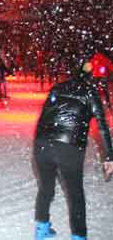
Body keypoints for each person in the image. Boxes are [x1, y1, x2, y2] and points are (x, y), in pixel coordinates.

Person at [33, 60, 113, 240]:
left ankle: (41, 228)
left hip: (43, 144)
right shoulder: (90, 92)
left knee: (45, 188)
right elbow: (102, 126)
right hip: (69, 148)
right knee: (75, 194)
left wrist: (41, 142)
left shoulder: (57, 88)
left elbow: (44, 116)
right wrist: (109, 156)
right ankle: (79, 236)